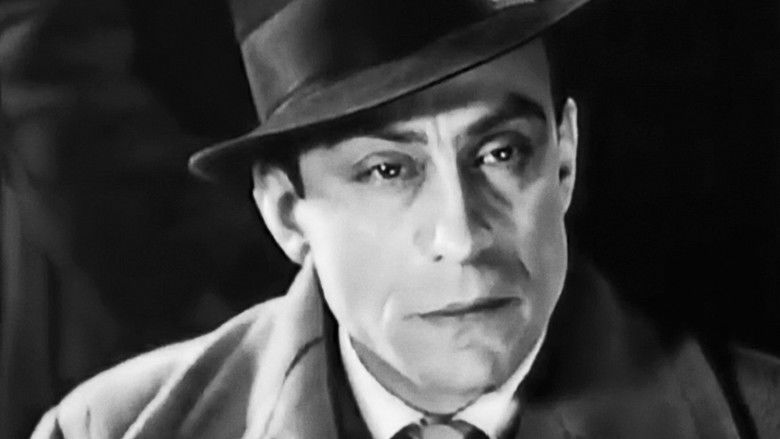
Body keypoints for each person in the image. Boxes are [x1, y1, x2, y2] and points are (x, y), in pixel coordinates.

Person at [32, 0, 780, 437]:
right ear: (288, 213)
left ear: (565, 160)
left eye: (500, 153)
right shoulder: (111, 430)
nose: (461, 235)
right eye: (388, 170)